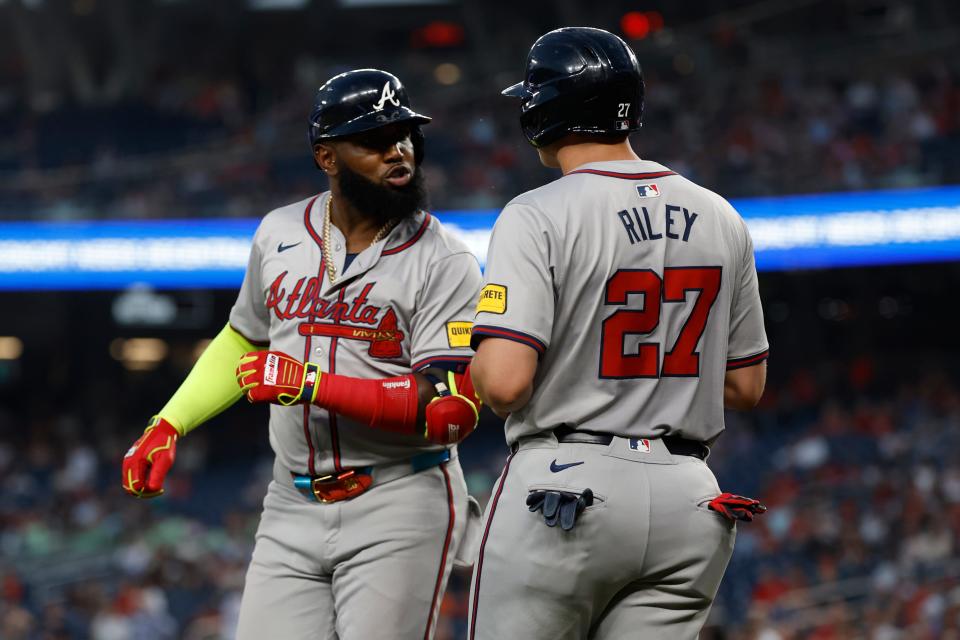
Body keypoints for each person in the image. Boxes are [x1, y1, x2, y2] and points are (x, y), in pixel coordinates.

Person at [121, 68, 484, 640]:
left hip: (399, 497)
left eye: (405, 135)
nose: (399, 152)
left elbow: (444, 409)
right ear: (327, 157)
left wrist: (311, 382)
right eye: (374, 140)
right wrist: (169, 422)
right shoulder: (280, 231)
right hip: (290, 500)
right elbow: (246, 337)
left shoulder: (447, 260)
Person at [467, 28, 769, 640]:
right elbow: (745, 386)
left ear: (545, 110)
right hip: (690, 499)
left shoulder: (537, 213)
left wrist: (467, 356)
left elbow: (503, 384)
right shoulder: (720, 214)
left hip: (564, 492)